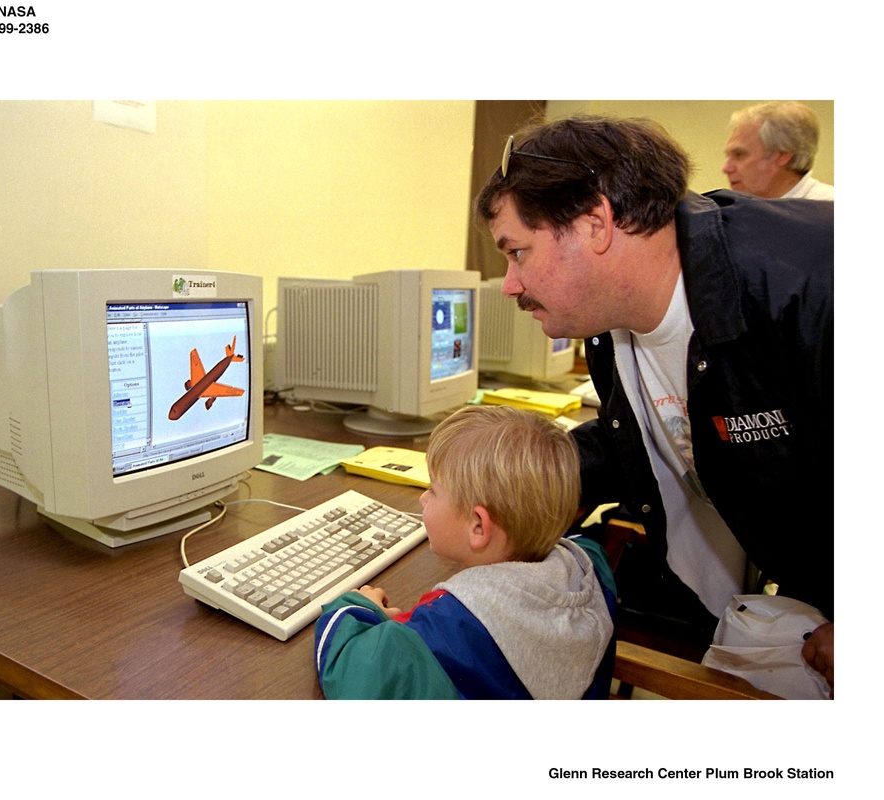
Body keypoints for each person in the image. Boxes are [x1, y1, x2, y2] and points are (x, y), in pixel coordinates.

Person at [474, 115, 834, 692]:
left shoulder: (816, 278)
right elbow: (645, 433)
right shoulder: (617, 324)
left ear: (595, 223)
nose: (510, 284)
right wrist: (516, 483)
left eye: (517, 252)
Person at [313, 404, 616, 699]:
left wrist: (356, 607)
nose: (422, 499)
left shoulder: (449, 629)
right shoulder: (591, 566)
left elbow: (356, 675)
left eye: (433, 489)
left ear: (479, 528)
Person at [722, 101, 834, 199]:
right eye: (728, 156)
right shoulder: (736, 214)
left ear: (783, 155)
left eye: (739, 155)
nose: (726, 168)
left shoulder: (829, 210)